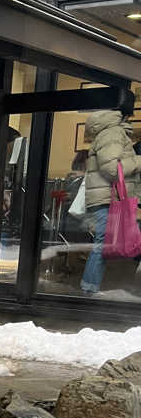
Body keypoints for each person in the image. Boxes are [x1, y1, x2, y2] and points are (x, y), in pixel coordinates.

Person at [81, 95, 141, 294]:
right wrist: (138, 162)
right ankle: (89, 290)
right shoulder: (113, 132)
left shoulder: (111, 132)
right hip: (108, 198)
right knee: (102, 245)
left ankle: (90, 288)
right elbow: (112, 169)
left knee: (103, 244)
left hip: (106, 197)